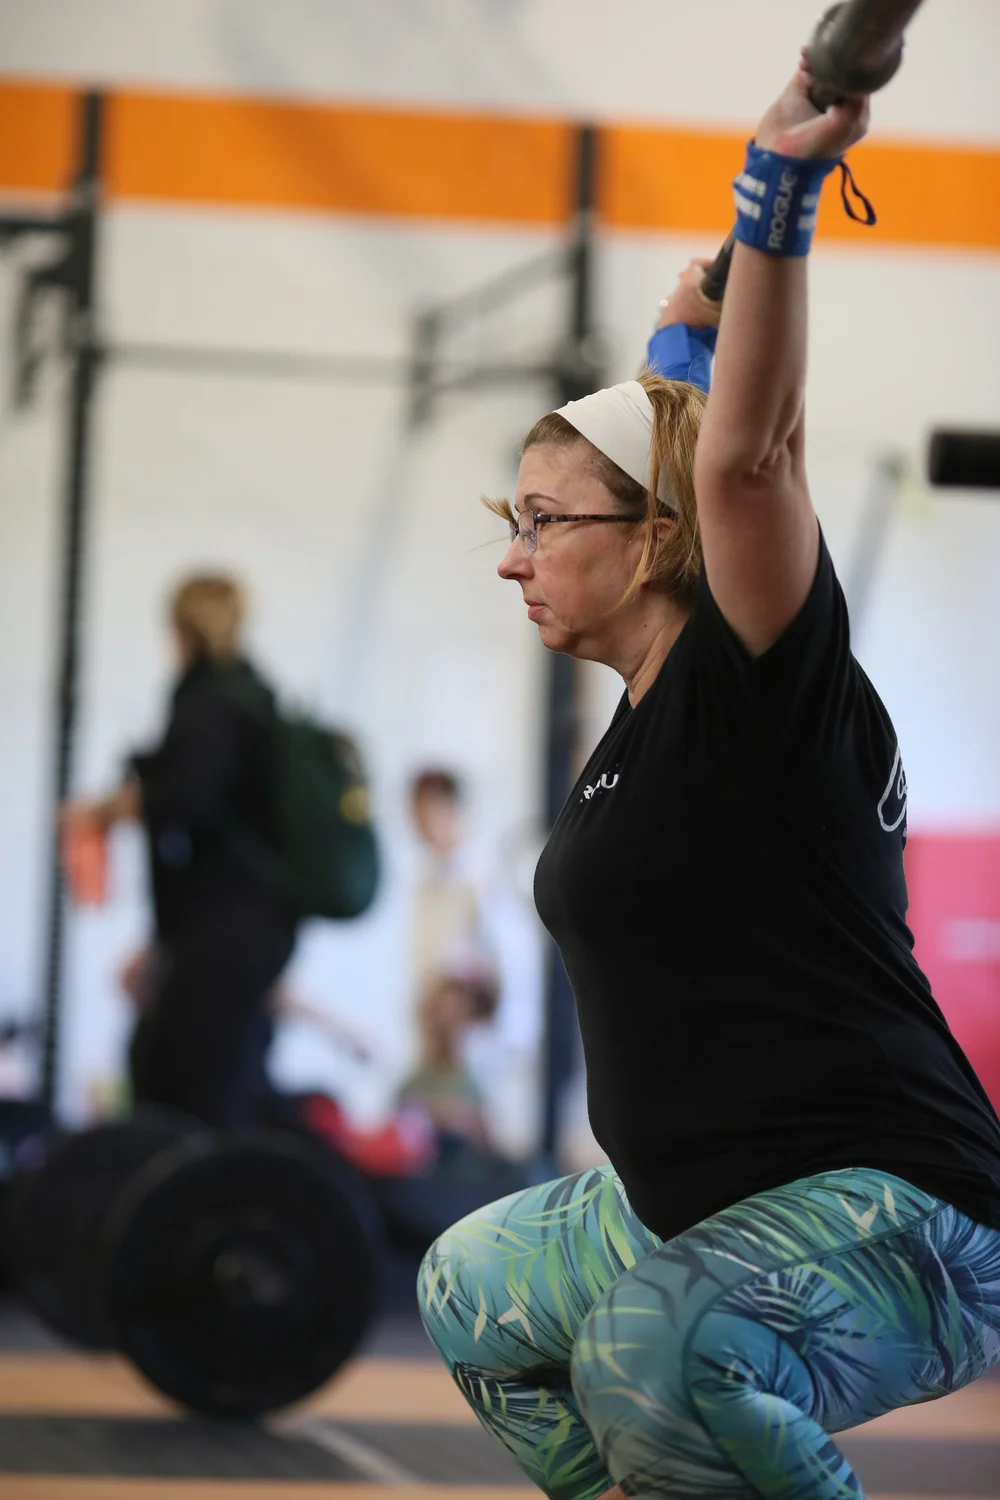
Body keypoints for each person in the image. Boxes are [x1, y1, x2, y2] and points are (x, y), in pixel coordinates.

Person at [417, 55, 1000, 1500]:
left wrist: (777, 196)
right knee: (472, 1288)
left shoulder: (760, 687)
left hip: (902, 1215)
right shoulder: (650, 711)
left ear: (656, 541)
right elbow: (682, 442)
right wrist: (682, 339)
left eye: (542, 522)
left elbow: (736, 463)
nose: (512, 558)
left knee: (653, 1355)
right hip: (694, 1212)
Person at [66, 574, 297, 1129]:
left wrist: (106, 811)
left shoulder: (210, 703)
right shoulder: (249, 693)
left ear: (176, 629)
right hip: (247, 925)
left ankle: (215, 1184)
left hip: (229, 927)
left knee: (186, 1083)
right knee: (209, 1073)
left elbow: (187, 800)